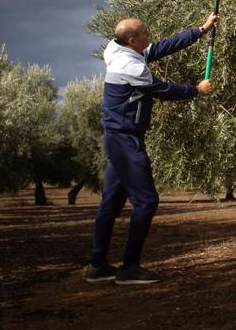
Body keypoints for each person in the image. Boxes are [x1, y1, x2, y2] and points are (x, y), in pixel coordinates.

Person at [85, 15, 218, 284]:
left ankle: (97, 266)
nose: (150, 35)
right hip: (125, 139)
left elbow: (159, 48)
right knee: (147, 202)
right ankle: (129, 269)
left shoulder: (117, 47)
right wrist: (196, 90)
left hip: (117, 136)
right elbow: (163, 90)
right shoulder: (129, 66)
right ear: (132, 40)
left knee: (110, 203)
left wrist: (200, 31)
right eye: (145, 33)